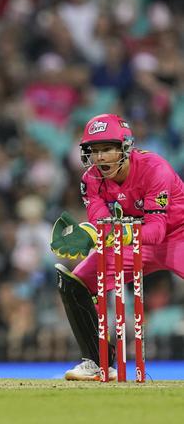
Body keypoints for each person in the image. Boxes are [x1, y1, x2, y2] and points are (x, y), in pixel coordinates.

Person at [50, 113, 184, 381]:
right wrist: (92, 234)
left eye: (107, 149)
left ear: (125, 147)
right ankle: (97, 363)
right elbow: (101, 224)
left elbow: (156, 232)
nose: (100, 158)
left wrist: (108, 234)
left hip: (176, 236)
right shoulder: (90, 179)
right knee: (74, 281)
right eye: (94, 151)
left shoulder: (154, 168)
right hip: (133, 242)